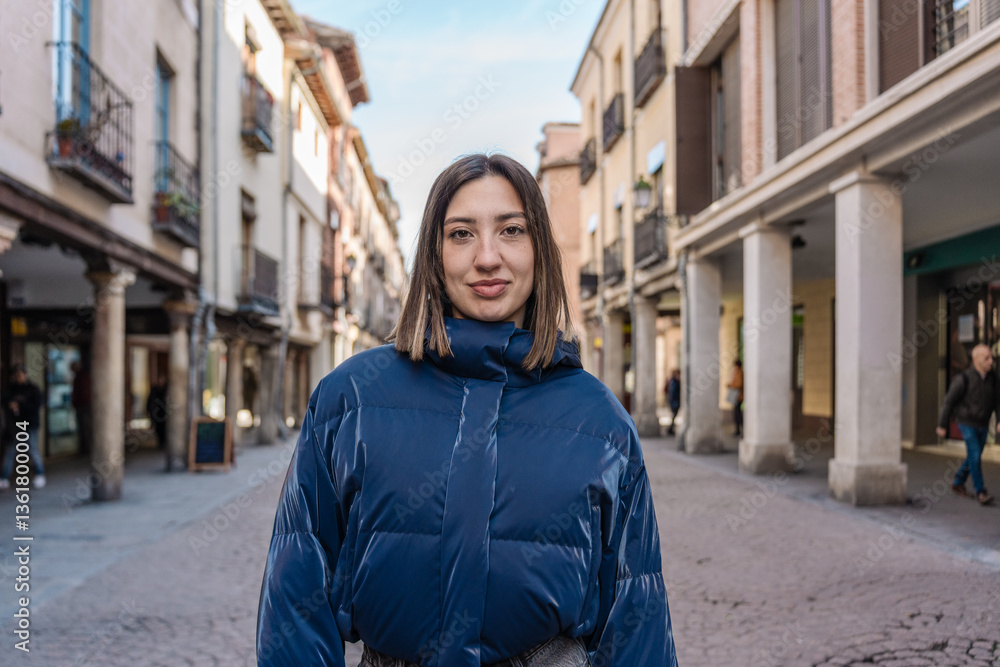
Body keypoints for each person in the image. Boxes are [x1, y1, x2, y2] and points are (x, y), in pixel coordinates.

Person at [257, 154, 677, 667]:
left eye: (512, 230)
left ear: (539, 250)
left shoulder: (602, 423)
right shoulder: (349, 400)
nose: (487, 257)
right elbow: (297, 591)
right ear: (433, 255)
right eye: (461, 234)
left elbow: (636, 612)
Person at [937, 343, 997, 505]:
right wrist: (942, 425)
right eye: (987, 358)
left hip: (983, 424)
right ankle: (981, 492)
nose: (991, 361)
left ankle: (957, 482)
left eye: (991, 357)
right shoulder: (963, 379)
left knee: (973, 456)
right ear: (976, 360)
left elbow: (997, 401)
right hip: (966, 423)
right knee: (976, 455)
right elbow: (948, 402)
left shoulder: (993, 378)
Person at [0, 365, 46, 490]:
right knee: (10, 451)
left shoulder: (33, 389)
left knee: (32, 449)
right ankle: (4, 478)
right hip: (14, 426)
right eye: (16, 375)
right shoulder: (10, 390)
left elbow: (37, 406)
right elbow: (4, 401)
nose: (19, 377)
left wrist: (20, 405)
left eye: (20, 374)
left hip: (30, 424)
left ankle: (40, 474)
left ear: (25, 375)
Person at [71, 360, 93, 457]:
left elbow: (84, 393)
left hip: (84, 405)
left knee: (86, 427)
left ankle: (87, 449)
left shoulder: (83, 377)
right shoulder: (79, 377)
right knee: (84, 428)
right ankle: (85, 449)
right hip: (82, 405)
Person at [147, 376, 168, 450]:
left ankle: (163, 442)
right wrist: (149, 410)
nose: (161, 381)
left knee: (164, 428)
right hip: (156, 413)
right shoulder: (155, 390)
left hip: (164, 413)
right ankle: (160, 442)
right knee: (158, 428)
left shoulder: (166, 390)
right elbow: (150, 401)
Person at [728, 359, 744, 437]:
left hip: (738, 396)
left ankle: (741, 430)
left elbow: (739, 384)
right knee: (736, 413)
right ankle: (737, 430)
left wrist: (731, 385)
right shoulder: (736, 372)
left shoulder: (739, 373)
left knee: (738, 414)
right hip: (736, 396)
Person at [666, 368, 681, 435]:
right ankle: (670, 429)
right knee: (674, 416)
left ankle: (670, 429)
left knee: (674, 416)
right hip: (674, 402)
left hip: (674, 401)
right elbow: (673, 393)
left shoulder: (674, 381)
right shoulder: (674, 382)